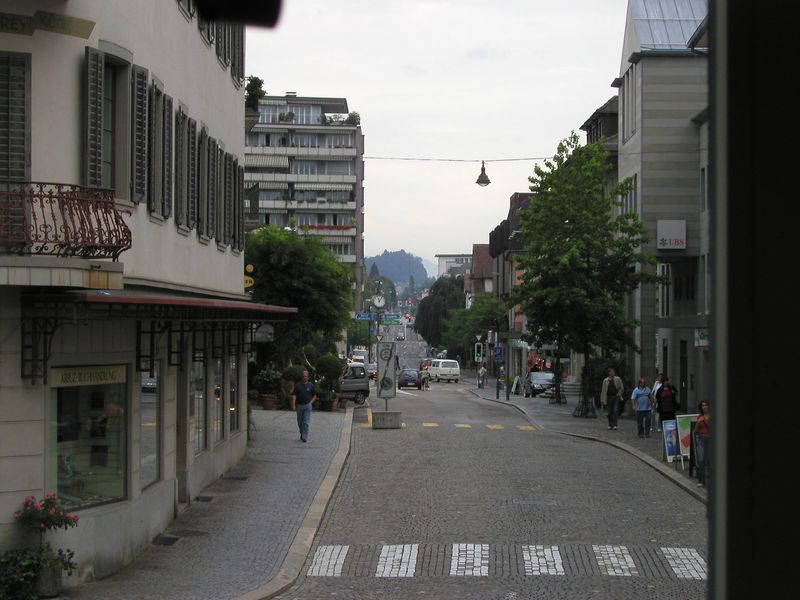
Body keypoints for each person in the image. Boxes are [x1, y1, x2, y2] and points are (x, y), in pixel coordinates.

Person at [290, 370, 316, 443]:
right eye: (303, 376)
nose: (305, 378)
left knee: (306, 422)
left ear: (308, 377)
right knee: (300, 422)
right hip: (299, 406)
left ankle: (304, 436)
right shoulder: (298, 385)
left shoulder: (311, 385)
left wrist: (310, 403)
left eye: (306, 376)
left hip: (307, 406)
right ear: (301, 377)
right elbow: (294, 395)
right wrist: (293, 405)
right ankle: (302, 433)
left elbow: (315, 395)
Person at [694, 400, 710, 487]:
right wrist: (698, 422)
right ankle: (701, 480)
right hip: (701, 439)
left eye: (706, 405)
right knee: (701, 459)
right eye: (703, 406)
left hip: (710, 439)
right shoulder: (700, 417)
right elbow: (696, 431)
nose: (704, 407)